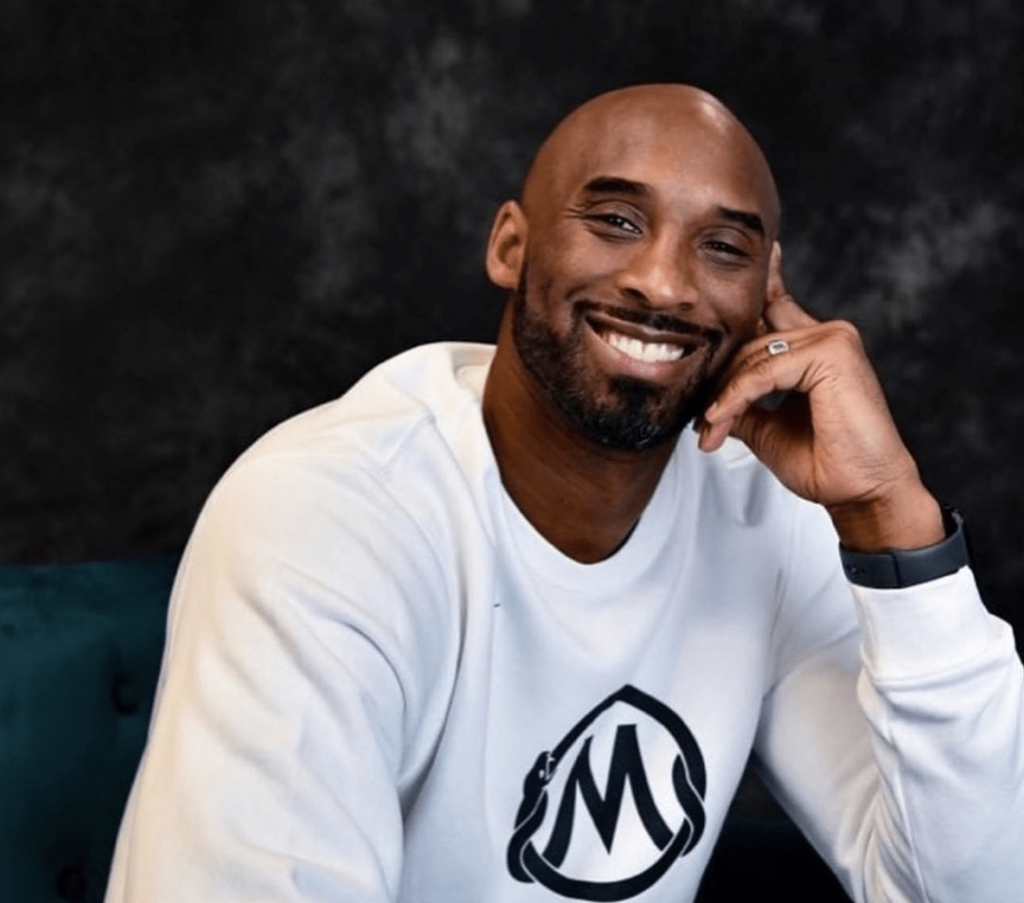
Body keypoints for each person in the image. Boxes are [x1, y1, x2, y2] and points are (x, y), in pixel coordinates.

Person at [105, 84, 1024, 903]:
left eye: (722, 247)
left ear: (766, 295)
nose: (663, 282)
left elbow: (975, 886)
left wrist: (889, 518)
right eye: (616, 220)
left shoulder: (767, 519)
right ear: (512, 246)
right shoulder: (326, 514)